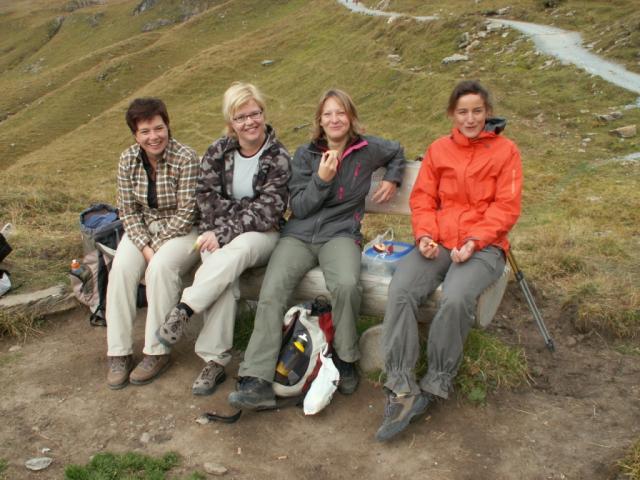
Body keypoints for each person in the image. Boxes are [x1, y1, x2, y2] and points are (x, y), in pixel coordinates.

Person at [228, 88, 406, 410]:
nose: (334, 119)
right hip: (298, 235)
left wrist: (392, 178)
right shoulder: (306, 154)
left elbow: (397, 150)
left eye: (340, 113)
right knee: (272, 291)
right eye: (328, 114)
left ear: (350, 117)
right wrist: (322, 179)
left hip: (341, 234)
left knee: (347, 285)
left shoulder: (366, 149)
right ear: (319, 121)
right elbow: (299, 206)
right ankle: (256, 377)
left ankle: (345, 359)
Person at [375, 80, 523, 441]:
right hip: (438, 242)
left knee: (455, 298)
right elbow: (423, 199)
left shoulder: (506, 151)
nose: (470, 119)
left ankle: (436, 381)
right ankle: (401, 384)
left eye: (477, 111)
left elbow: (506, 207)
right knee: (401, 289)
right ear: (452, 114)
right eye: (463, 112)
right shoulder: (439, 149)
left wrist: (474, 241)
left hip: (485, 247)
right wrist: (425, 235)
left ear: (487, 113)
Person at [154, 82, 291, 396]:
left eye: (254, 113)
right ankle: (214, 361)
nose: (249, 122)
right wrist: (230, 222)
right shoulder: (218, 151)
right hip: (216, 234)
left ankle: (184, 309)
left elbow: (267, 212)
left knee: (238, 250)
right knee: (224, 274)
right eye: (240, 117)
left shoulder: (278, 156)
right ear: (231, 122)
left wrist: (224, 230)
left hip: (262, 237)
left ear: (263, 113)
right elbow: (205, 198)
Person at [106, 97, 200, 389]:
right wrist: (145, 246)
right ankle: (119, 351)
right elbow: (127, 210)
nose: (153, 137)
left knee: (160, 268)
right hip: (143, 229)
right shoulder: (127, 160)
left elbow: (187, 212)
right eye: (145, 131)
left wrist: (154, 249)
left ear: (167, 126)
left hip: (182, 231)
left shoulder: (186, 157)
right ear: (135, 135)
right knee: (121, 268)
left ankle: (157, 351)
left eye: (158, 128)